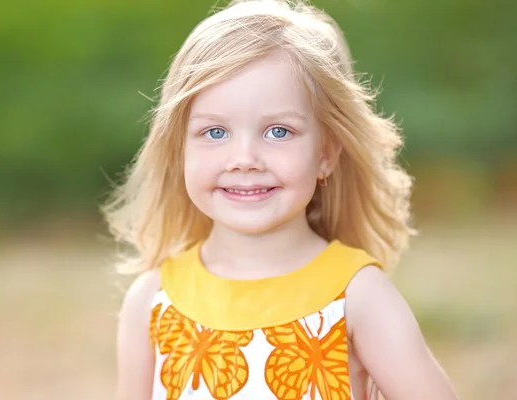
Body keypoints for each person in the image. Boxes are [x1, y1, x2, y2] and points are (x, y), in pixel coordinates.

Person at [103, 0, 458, 399]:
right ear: (178, 149)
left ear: (325, 153)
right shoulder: (153, 301)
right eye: (215, 132)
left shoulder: (357, 295)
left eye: (278, 132)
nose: (244, 160)